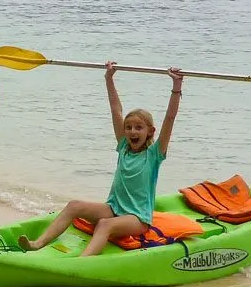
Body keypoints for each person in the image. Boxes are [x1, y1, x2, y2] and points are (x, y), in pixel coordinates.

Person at [18, 62, 184, 256]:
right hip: (113, 208)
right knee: (74, 205)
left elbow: (169, 119)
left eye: (139, 128)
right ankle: (37, 244)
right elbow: (116, 111)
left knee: (105, 225)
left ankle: (82, 262)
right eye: (128, 127)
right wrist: (109, 79)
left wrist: (176, 87)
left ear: (150, 132)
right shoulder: (123, 147)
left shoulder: (154, 155)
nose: (132, 131)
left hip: (137, 219)